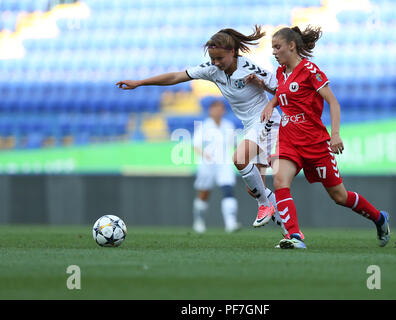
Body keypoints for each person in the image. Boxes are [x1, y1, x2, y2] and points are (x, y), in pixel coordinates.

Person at [116, 25, 289, 234]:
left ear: (232, 52)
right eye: (213, 59)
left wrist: (263, 86)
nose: (216, 63)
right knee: (254, 188)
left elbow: (283, 90)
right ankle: (289, 229)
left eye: (219, 59)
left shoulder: (250, 68)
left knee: (239, 159)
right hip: (249, 126)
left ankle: (265, 205)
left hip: (267, 120)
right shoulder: (212, 69)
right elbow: (176, 77)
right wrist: (140, 82)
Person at [259, 25, 391, 249]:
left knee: (339, 196)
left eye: (277, 47)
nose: (273, 52)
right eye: (272, 47)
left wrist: (335, 134)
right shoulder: (280, 73)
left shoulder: (310, 70)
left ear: (291, 46)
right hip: (289, 139)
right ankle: (295, 236)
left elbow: (333, 102)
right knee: (280, 180)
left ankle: (379, 218)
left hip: (315, 143)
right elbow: (283, 92)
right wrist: (271, 104)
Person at [191, 99, 240, 233]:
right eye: (215, 108)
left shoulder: (228, 125)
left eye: (221, 109)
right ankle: (199, 221)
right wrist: (205, 154)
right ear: (210, 111)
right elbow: (195, 145)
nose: (218, 111)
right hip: (208, 164)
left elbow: (234, 144)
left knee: (228, 190)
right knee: (204, 193)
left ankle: (231, 223)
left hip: (224, 163)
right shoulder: (204, 126)